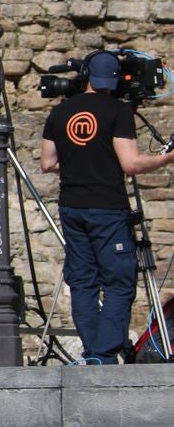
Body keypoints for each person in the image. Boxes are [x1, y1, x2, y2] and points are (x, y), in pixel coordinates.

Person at [41, 51, 174, 364]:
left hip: (71, 207)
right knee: (118, 280)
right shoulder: (118, 110)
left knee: (83, 281)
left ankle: (93, 354)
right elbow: (131, 163)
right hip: (107, 208)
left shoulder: (60, 112)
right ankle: (104, 351)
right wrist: (166, 158)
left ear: (86, 76)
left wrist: (81, 166)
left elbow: (48, 163)